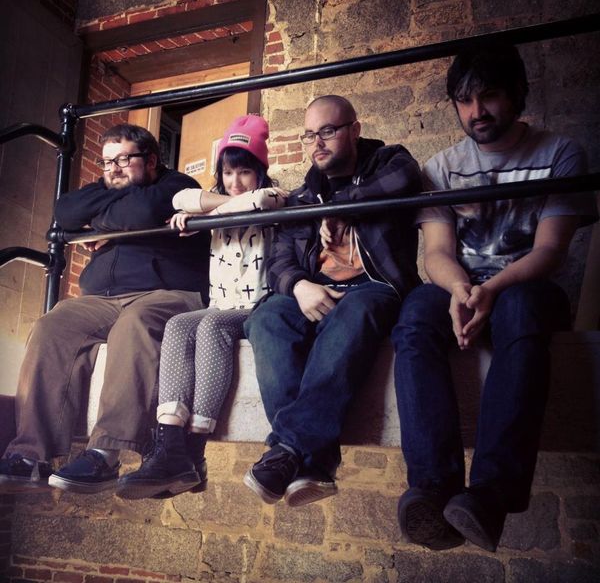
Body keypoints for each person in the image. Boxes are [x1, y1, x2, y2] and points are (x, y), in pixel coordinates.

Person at [393, 44, 598, 552]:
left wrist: (492, 289)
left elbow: (550, 251)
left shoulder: (560, 153)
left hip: (527, 287)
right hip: (461, 285)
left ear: (517, 94)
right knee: (415, 313)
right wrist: (460, 289)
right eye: (464, 101)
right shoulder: (441, 167)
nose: (476, 111)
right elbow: (436, 253)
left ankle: (490, 493)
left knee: (522, 309)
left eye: (488, 96)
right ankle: (433, 486)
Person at [0, 124, 211, 494]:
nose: (112, 169)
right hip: (101, 299)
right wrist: (117, 214)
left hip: (166, 293)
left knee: (134, 324)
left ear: (151, 160)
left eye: (123, 160)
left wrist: (102, 221)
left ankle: (104, 454)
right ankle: (30, 455)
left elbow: (143, 210)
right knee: (51, 325)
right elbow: (65, 211)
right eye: (107, 161)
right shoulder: (105, 185)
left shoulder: (176, 185)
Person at [243, 95, 422, 508]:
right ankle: (315, 463)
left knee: (354, 312)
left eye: (327, 131)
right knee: (267, 318)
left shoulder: (389, 162)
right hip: (316, 289)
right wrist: (299, 287)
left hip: (375, 287)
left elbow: (405, 179)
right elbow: (279, 261)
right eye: (309, 135)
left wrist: (345, 209)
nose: (317, 142)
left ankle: (289, 447)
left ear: (354, 130)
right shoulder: (304, 197)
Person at [116, 115, 288, 499]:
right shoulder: (217, 201)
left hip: (256, 306)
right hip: (220, 303)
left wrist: (206, 216)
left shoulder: (275, 198)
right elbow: (179, 199)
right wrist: (205, 212)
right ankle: (170, 447)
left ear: (260, 171)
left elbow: (261, 201)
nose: (235, 182)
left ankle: (195, 450)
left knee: (211, 328)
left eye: (244, 172)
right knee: (179, 324)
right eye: (227, 173)